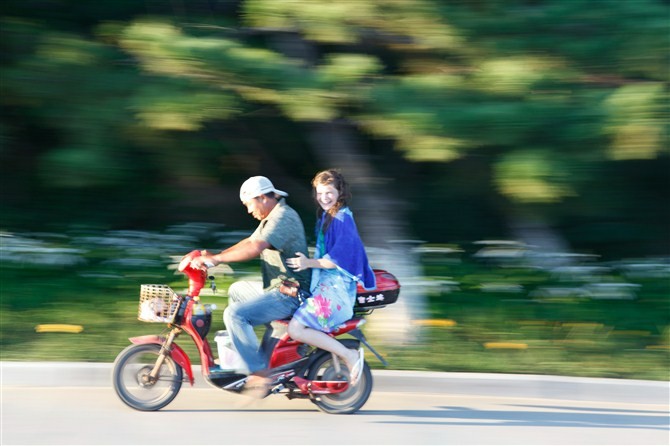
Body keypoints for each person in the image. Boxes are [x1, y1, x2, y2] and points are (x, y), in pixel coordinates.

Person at [189, 176, 310, 392]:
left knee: (235, 314)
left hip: (291, 294)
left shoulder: (283, 217)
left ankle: (259, 373)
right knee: (237, 291)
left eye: (248, 205)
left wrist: (217, 260)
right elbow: (248, 242)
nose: (248, 211)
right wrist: (216, 255)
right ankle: (259, 351)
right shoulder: (271, 217)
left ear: (262, 198)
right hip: (276, 288)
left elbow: (255, 248)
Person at [286, 169, 376, 386]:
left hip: (335, 293)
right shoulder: (329, 216)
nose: (324, 197)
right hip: (327, 288)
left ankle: (349, 355)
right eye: (320, 193)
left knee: (295, 329)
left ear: (340, 192)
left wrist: (306, 263)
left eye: (329, 192)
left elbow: (334, 261)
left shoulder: (342, 219)